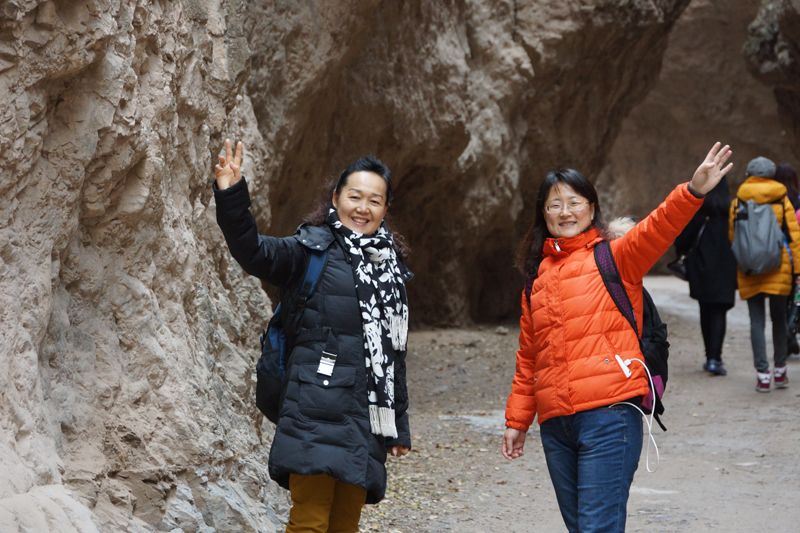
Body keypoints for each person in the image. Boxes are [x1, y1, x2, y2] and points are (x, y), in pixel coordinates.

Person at [501, 142, 733, 533]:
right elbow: (529, 357)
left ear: (591, 209)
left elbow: (659, 227)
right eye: (554, 205)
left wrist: (693, 191)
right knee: (584, 527)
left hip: (609, 415)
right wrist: (518, 420)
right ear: (543, 214)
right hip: (556, 425)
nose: (565, 212)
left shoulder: (616, 257)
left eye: (574, 203)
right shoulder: (535, 280)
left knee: (597, 528)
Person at [213, 140, 412, 532]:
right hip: (312, 408)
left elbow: (394, 356)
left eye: (374, 201)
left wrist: (398, 426)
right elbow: (253, 251)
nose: (363, 208)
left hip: (364, 419)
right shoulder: (310, 250)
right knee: (310, 520)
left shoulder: (390, 270)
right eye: (355, 196)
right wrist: (231, 193)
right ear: (336, 198)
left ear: (385, 209)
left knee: (344, 525)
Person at [729, 157, 800, 392]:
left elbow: (733, 236)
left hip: (749, 268)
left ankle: (762, 375)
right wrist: (797, 270)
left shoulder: (738, 200)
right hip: (778, 266)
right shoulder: (781, 199)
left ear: (749, 174)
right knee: (779, 319)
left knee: (756, 322)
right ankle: (780, 371)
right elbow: (795, 237)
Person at [674, 175, 737, 376]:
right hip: (727, 267)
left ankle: (709, 355)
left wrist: (681, 253)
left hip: (701, 266)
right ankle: (715, 359)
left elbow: (683, 239)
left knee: (705, 310)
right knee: (720, 311)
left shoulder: (700, 210)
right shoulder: (732, 211)